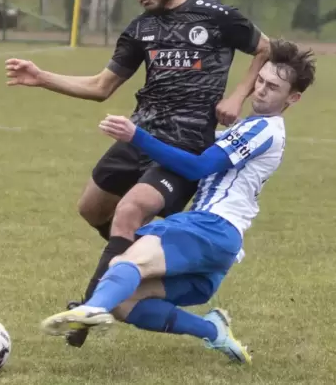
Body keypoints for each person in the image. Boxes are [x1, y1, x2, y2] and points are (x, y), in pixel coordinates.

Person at [5, 0, 271, 348]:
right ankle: (137, 261)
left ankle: (91, 308)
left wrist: (237, 96)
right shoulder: (140, 28)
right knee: (92, 208)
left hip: (185, 146)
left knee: (128, 210)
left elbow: (266, 48)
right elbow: (100, 87)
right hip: (138, 133)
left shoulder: (217, 18)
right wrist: (42, 78)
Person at [39, 40, 316, 364]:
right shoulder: (253, 126)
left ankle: (91, 308)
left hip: (211, 226)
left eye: (274, 87)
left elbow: (198, 167)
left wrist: (136, 136)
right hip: (218, 246)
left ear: (292, 98)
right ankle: (212, 330)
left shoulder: (263, 129)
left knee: (124, 265)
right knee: (124, 303)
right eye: (261, 81)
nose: (262, 90)